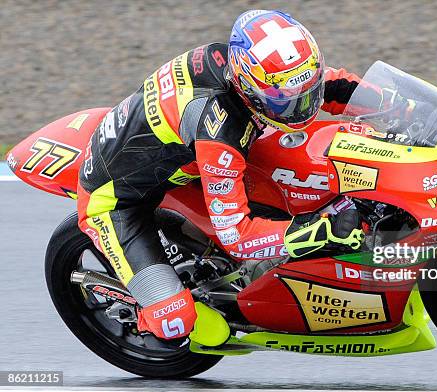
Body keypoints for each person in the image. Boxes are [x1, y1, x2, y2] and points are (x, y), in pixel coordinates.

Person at [77, 10, 367, 341]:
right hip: (115, 199)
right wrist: (315, 232)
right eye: (283, 99)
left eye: (304, 89)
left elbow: (337, 85)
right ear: (246, 86)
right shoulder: (220, 130)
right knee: (174, 323)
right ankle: (144, 311)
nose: (300, 105)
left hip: (177, 159)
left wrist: (403, 108)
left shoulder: (262, 70)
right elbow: (237, 235)